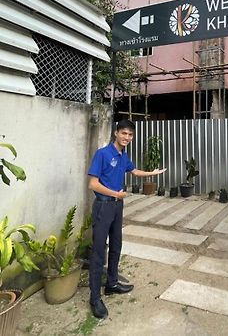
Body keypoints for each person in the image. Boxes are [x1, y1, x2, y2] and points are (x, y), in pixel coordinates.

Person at [87, 119, 166, 319]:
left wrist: (152, 173)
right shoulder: (102, 154)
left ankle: (111, 284)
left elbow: (133, 170)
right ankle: (94, 298)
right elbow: (93, 185)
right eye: (124, 133)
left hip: (117, 206)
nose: (127, 138)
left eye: (130, 135)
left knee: (116, 245)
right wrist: (115, 193)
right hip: (104, 206)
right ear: (116, 133)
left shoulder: (123, 155)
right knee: (98, 252)